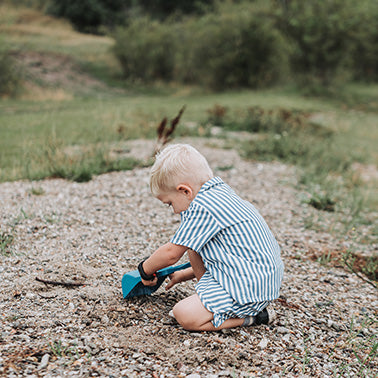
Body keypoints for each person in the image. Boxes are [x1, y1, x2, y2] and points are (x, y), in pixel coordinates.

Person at [137, 144, 284, 331]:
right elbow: (229, 258)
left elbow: (171, 254)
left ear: (185, 191)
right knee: (192, 245)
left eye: (170, 203)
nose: (174, 211)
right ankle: (215, 302)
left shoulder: (203, 207)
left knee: (184, 315)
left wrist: (145, 269)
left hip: (248, 288)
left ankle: (254, 318)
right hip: (260, 280)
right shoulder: (221, 194)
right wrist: (184, 274)